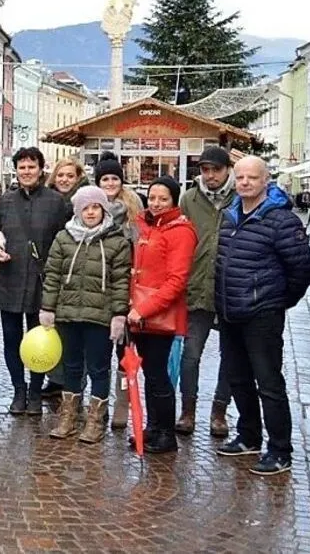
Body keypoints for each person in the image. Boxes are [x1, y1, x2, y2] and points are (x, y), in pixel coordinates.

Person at [215, 156, 310, 476]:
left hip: (262, 315)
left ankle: (280, 450)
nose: (245, 183)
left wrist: (278, 301)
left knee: (269, 382)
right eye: (240, 177)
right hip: (230, 311)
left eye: (252, 178)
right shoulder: (229, 215)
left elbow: (302, 267)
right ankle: (248, 436)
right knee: (238, 377)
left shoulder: (281, 220)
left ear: (265, 181)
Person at [39, 186, 132, 443]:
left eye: (96, 208)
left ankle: (95, 419)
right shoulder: (64, 238)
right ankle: (68, 415)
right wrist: (48, 308)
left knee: (99, 368)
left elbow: (121, 281)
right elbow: (53, 276)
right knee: (71, 367)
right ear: (78, 211)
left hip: (99, 317)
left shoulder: (117, 241)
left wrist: (118, 315)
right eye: (86, 208)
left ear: (103, 209)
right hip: (68, 314)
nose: (91, 213)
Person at [0, 147, 71, 415]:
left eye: (31, 167)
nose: (27, 172)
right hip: (9, 280)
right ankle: (18, 391)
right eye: (22, 167)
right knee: (12, 339)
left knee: (40, 340)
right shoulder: (6, 201)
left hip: (41, 283)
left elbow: (65, 241)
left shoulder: (56, 202)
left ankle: (35, 392)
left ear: (41, 169)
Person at [127, 176, 197, 454]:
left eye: (163, 199)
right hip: (139, 314)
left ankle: (166, 434)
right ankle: (154, 428)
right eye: (152, 197)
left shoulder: (181, 231)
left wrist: (144, 308)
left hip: (158, 315)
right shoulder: (144, 225)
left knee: (159, 376)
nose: (156, 203)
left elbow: (176, 281)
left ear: (174, 200)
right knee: (150, 373)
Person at [176, 146, 235, 438]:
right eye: (205, 170)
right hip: (196, 287)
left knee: (232, 356)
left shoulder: (241, 197)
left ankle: (219, 412)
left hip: (231, 289)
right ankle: (187, 411)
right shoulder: (189, 199)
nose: (210, 175)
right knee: (190, 354)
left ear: (227, 170)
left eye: (216, 170)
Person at [93, 151, 142, 430]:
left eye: (114, 178)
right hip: (98, 290)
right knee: (98, 352)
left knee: (125, 351)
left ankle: (123, 404)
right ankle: (98, 404)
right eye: (104, 179)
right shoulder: (89, 207)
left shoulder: (134, 208)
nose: (109, 183)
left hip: (125, 288)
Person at [40, 157, 88, 399]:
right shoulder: (48, 200)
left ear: (78, 177)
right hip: (53, 271)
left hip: (80, 274)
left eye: (70, 175)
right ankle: (56, 379)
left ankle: (75, 381)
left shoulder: (85, 201)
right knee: (54, 329)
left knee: (76, 330)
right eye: (61, 175)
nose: (64, 180)